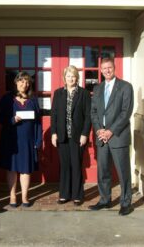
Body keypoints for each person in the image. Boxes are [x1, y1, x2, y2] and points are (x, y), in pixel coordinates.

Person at [89, 57, 134, 216]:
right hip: (102, 137)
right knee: (103, 171)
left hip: (118, 136)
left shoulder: (125, 87)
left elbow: (125, 113)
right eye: (104, 68)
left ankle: (126, 202)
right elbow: (93, 112)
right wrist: (99, 130)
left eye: (110, 68)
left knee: (123, 172)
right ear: (101, 71)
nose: (107, 70)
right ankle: (105, 200)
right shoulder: (98, 88)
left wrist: (111, 131)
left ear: (114, 68)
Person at [0, 72, 42, 208]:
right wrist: (12, 120)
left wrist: (38, 139)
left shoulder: (33, 100)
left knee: (26, 169)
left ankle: (24, 196)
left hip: (28, 140)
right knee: (12, 168)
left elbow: (38, 122)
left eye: (27, 82)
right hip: (11, 139)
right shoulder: (7, 99)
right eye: (22, 81)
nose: (25, 84)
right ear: (16, 82)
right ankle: (12, 196)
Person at [51, 65, 91, 206]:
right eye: (68, 76)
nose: (71, 78)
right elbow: (54, 115)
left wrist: (85, 134)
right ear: (64, 78)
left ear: (77, 78)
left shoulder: (84, 94)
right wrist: (53, 133)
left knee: (76, 165)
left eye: (73, 76)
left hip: (77, 136)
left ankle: (77, 195)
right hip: (62, 136)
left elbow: (88, 116)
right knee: (65, 166)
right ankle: (64, 194)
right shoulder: (58, 93)